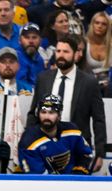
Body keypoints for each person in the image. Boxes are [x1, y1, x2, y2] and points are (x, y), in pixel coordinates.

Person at [28, 34, 106, 172]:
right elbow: (33, 114)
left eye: (66, 51)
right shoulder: (44, 79)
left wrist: (100, 153)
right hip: (45, 147)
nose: (61, 55)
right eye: (58, 51)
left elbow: (99, 120)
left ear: (76, 54)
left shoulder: (89, 82)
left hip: (77, 149)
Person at [18, 94, 92, 174]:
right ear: (38, 114)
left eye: (51, 112)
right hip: (44, 185)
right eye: (43, 112)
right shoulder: (29, 140)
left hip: (72, 182)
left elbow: (85, 155)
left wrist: (77, 175)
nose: (46, 116)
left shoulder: (73, 131)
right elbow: (37, 176)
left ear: (59, 115)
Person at [83, 12, 111, 91]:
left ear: (108, 27)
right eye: (97, 23)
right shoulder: (84, 44)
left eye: (104, 24)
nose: (100, 26)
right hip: (88, 86)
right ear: (92, 25)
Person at [17, 22, 48, 87]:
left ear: (40, 40)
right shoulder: (15, 58)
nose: (31, 41)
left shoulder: (40, 59)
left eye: (34, 37)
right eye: (27, 37)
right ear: (19, 40)